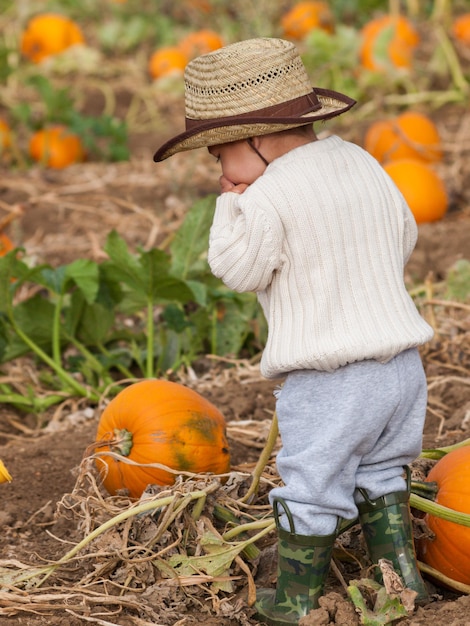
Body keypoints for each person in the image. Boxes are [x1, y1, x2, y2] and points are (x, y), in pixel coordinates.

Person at [154, 37, 433, 625]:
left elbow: (236, 268)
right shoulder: (360, 159)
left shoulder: (269, 193)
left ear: (250, 139)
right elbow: (405, 231)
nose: (220, 172)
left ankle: (297, 601)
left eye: (217, 157)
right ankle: (401, 582)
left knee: (310, 483)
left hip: (331, 376)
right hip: (403, 368)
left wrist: (231, 206)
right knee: (383, 471)